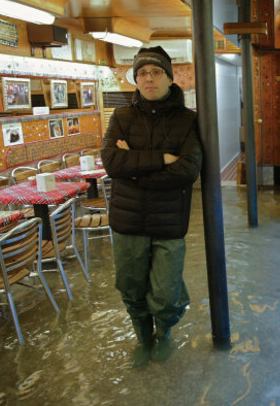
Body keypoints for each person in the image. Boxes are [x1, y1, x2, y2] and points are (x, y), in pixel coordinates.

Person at [101, 46, 202, 368]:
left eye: (156, 72)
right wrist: (160, 159)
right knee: (131, 287)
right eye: (142, 73)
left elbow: (188, 170)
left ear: (170, 79)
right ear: (136, 79)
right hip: (127, 221)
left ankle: (165, 334)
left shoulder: (189, 120)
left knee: (166, 292)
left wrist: (134, 170)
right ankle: (143, 338)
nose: (148, 78)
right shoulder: (121, 116)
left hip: (169, 221)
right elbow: (111, 162)